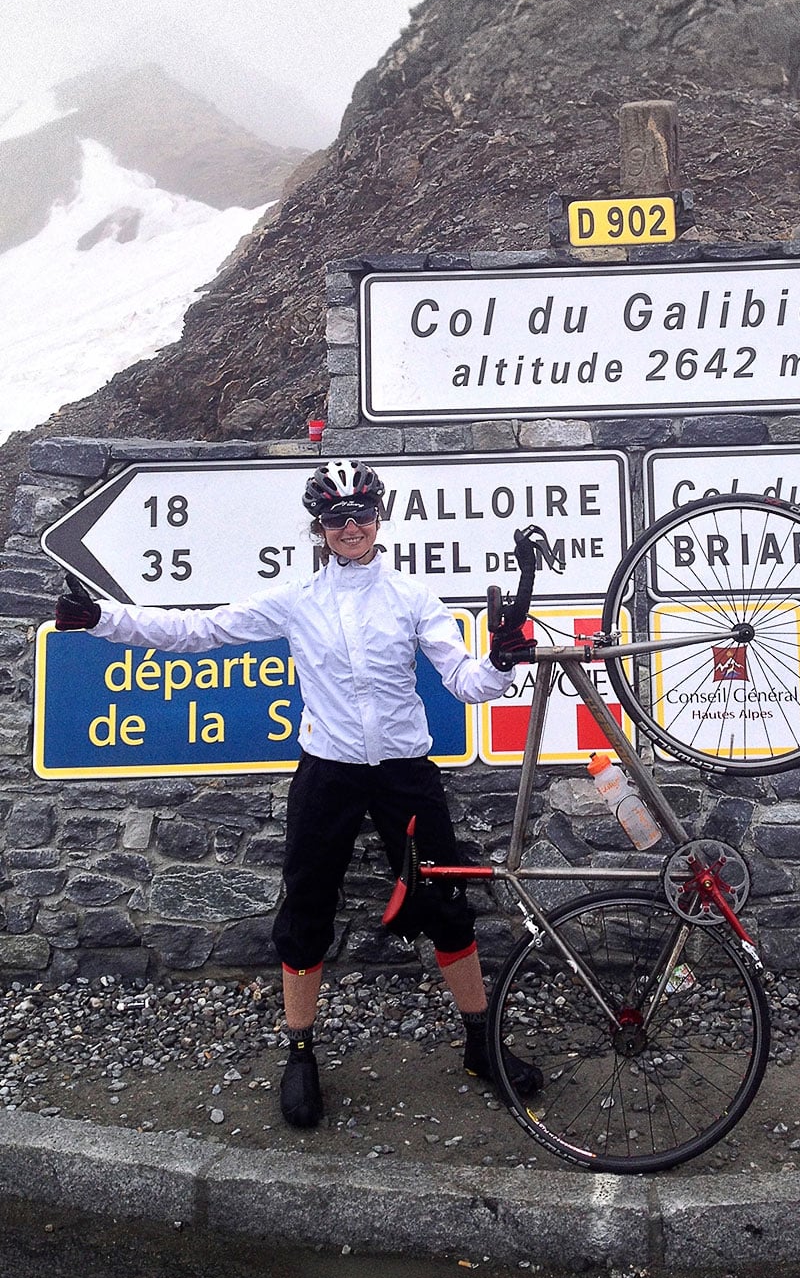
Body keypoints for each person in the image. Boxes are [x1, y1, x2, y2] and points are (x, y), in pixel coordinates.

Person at [54, 458, 541, 1130]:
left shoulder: (411, 597)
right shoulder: (297, 600)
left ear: (379, 517)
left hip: (405, 770)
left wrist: (502, 658)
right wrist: (101, 618)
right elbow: (198, 632)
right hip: (328, 770)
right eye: (336, 517)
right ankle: (301, 1052)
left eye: (361, 514)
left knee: (448, 902)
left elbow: (466, 683)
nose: (350, 526)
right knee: (307, 906)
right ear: (318, 526)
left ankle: (482, 1044)